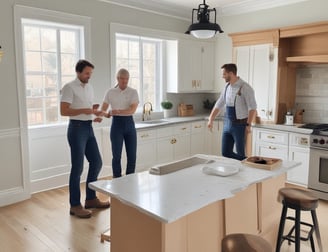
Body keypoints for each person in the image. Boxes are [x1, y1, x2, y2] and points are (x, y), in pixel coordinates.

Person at [60, 59, 110, 218]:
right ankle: (75, 205)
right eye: (87, 73)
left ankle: (91, 199)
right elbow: (64, 111)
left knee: (97, 162)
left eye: (91, 73)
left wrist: (96, 114)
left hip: (88, 127)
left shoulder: (89, 87)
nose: (89, 76)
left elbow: (88, 108)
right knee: (78, 168)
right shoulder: (69, 87)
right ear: (78, 72)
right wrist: (88, 110)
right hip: (76, 129)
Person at [208, 63, 257, 161]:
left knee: (240, 152)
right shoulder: (226, 87)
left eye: (224, 74)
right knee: (225, 152)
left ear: (231, 73)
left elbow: (252, 108)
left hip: (240, 126)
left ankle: (244, 169)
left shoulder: (245, 87)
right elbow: (219, 104)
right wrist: (211, 119)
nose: (222, 76)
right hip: (227, 124)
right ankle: (245, 160)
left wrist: (248, 125)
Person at [101, 68, 139, 178]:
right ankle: (117, 180)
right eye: (122, 79)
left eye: (127, 79)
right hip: (116, 126)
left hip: (129, 125)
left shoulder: (133, 92)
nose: (125, 81)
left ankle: (130, 180)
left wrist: (117, 111)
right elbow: (103, 110)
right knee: (116, 156)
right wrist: (107, 114)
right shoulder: (110, 92)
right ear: (117, 78)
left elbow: (132, 110)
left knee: (132, 156)